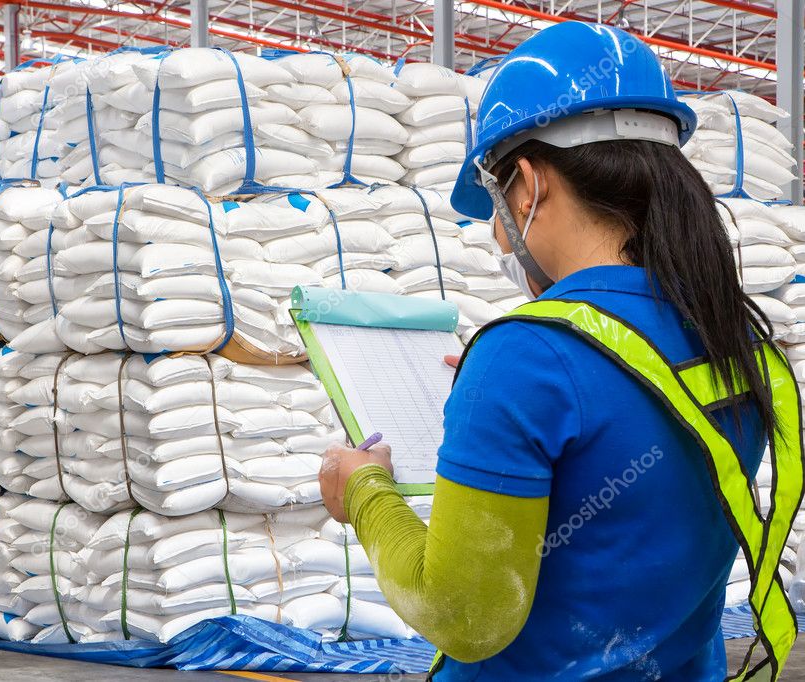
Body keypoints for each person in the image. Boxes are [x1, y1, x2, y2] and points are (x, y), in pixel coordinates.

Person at [318, 21, 803, 681]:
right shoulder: (727, 332)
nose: (496, 236)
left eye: (495, 206)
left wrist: (365, 493)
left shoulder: (527, 358)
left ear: (528, 184)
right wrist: (509, 397)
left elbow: (464, 615)